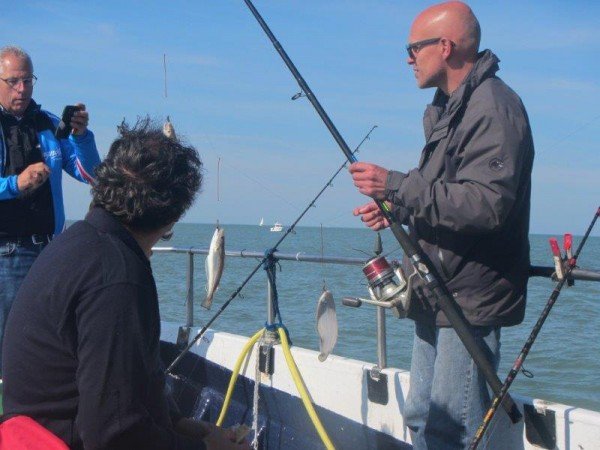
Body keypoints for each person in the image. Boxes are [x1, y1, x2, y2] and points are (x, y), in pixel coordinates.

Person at [350, 2, 534, 449]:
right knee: (420, 415)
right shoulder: (450, 108)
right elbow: (444, 195)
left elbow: (488, 205)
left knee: (452, 427)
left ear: (445, 47)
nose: (408, 58)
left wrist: (394, 185)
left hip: (469, 298)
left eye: (413, 48)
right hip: (437, 287)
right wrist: (395, 208)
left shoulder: (493, 106)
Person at [2, 119, 248, 450]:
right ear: (171, 218)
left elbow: (122, 398)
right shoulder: (117, 278)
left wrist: (192, 430)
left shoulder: (74, 244)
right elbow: (114, 436)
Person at [0, 45, 100, 373]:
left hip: (51, 250)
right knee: (13, 344)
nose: (22, 89)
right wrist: (15, 184)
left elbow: (90, 174)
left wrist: (82, 136)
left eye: (28, 80)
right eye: (13, 81)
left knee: (52, 339)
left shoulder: (48, 123)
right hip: (7, 254)